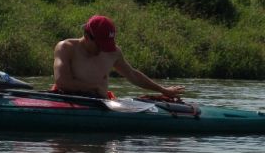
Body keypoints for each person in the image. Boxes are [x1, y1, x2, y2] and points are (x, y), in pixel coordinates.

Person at [52, 15, 185, 99]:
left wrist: (162, 90)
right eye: (100, 46)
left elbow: (132, 75)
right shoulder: (66, 48)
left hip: (100, 102)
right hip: (69, 100)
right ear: (87, 36)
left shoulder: (113, 53)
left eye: (106, 46)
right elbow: (63, 83)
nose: (102, 50)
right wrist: (94, 87)